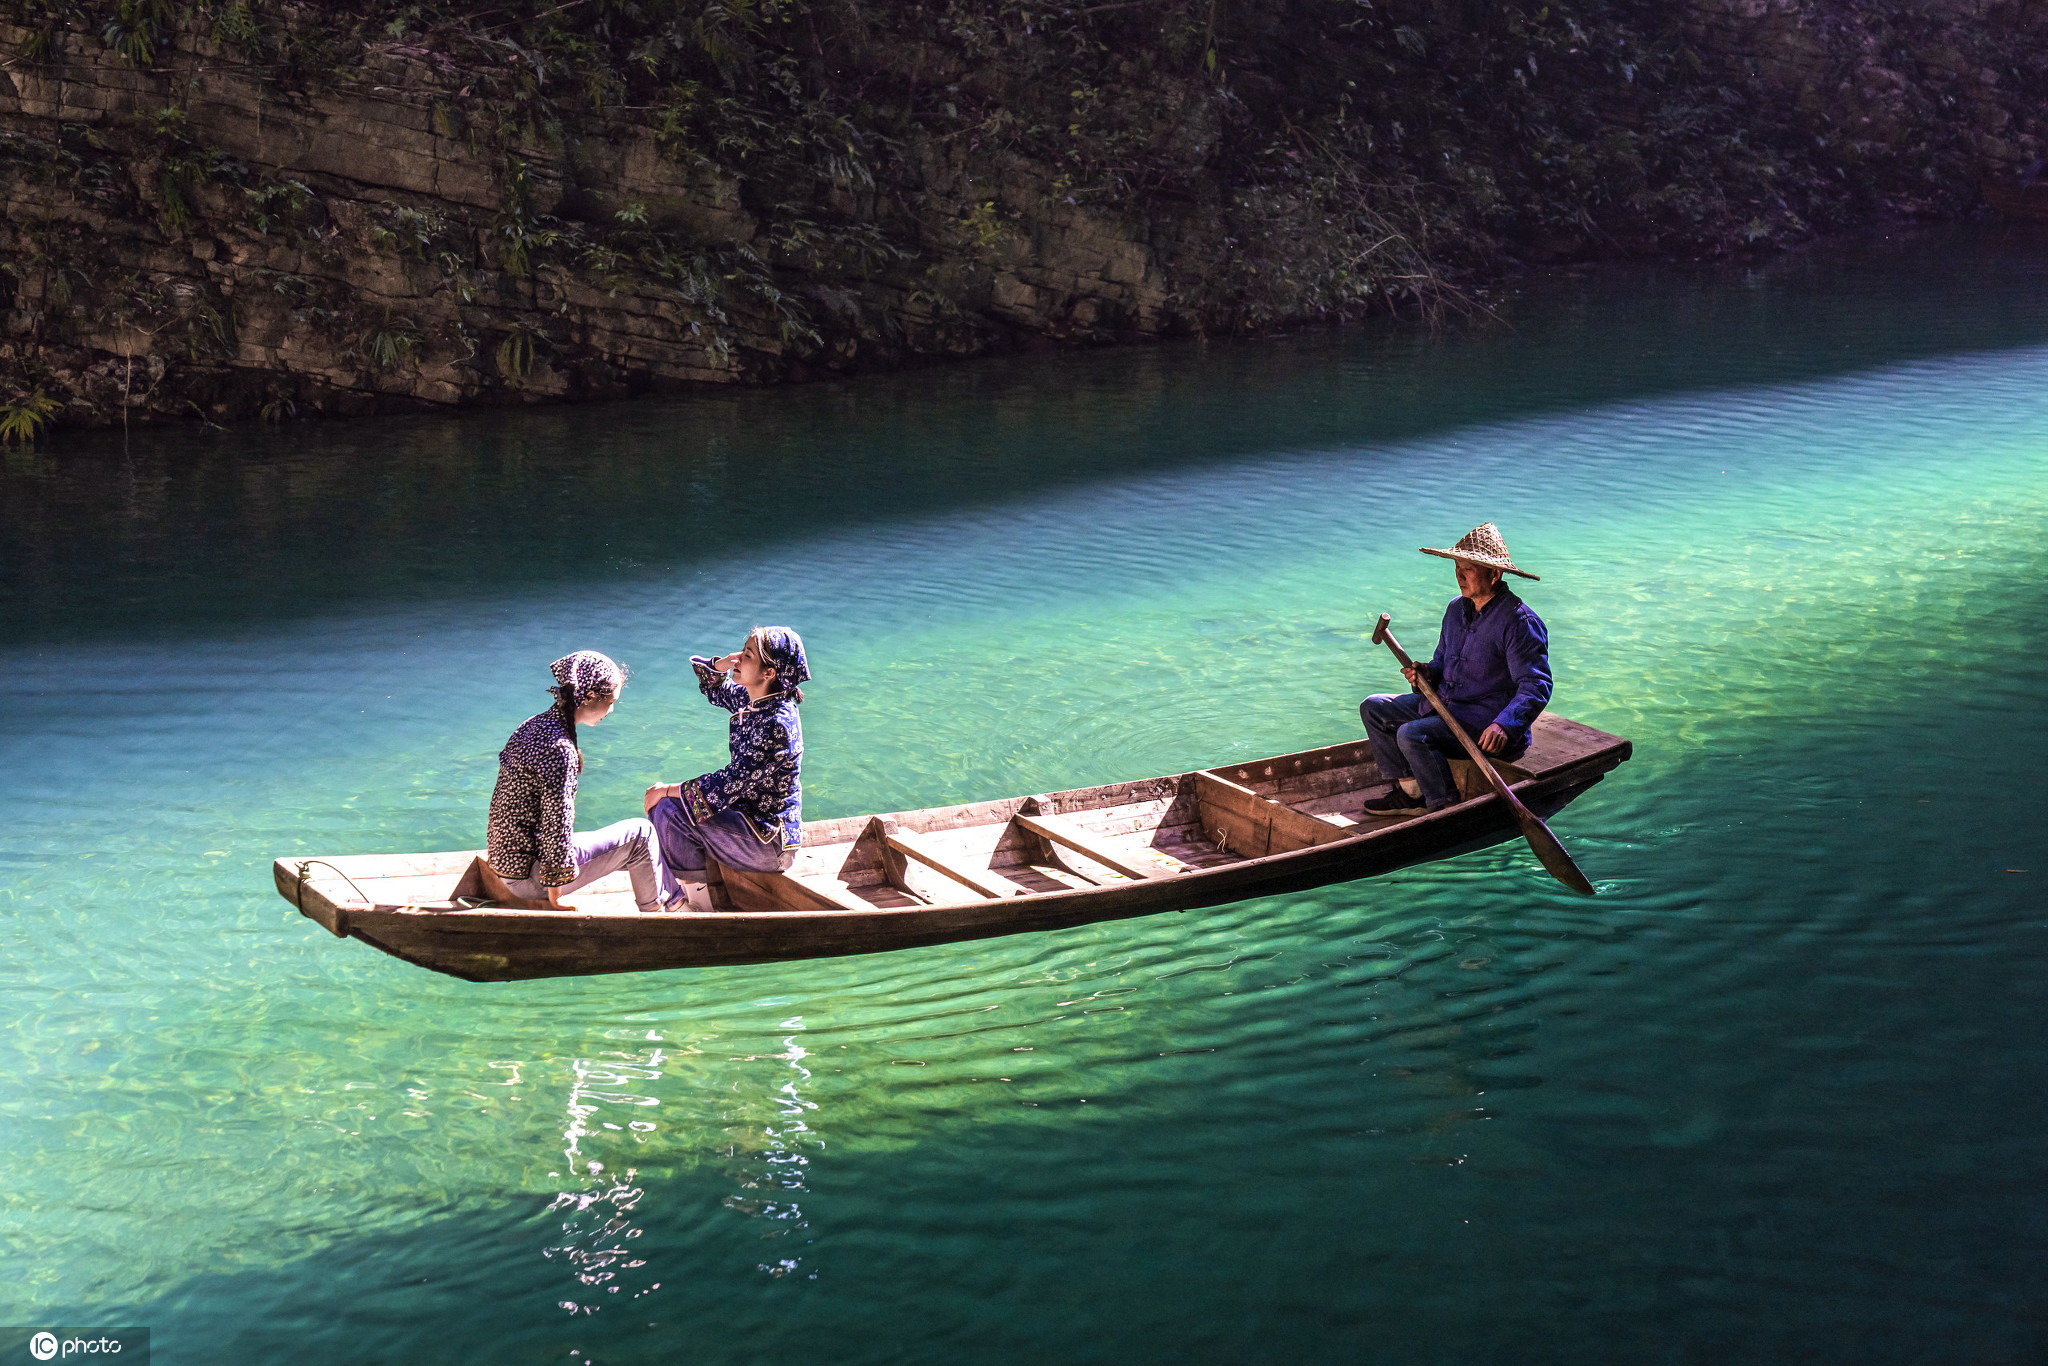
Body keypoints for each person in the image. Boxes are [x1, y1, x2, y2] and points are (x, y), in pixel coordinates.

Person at [1360, 523, 1552, 816]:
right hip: (1445, 707)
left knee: (1411, 734)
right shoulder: (1454, 609)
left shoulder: (1519, 622)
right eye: (1457, 567)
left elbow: (1536, 686)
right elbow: (1441, 662)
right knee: (1373, 708)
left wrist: (1504, 725)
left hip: (1484, 723)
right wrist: (1426, 674)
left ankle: (1444, 806)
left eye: (1469, 569)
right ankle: (1412, 794)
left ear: (1494, 573)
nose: (1459, 575)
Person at [486, 650, 683, 913]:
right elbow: (557, 825)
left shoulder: (532, 725)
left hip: (505, 865)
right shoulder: (560, 750)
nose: (611, 710)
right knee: (642, 834)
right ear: (589, 696)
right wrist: (555, 896)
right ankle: (662, 915)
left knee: (626, 844)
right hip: (531, 878)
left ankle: (667, 899)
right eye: (611, 702)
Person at [643, 626, 810, 911]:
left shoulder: (776, 724)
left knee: (669, 812)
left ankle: (696, 907)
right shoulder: (755, 699)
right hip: (748, 823)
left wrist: (668, 790)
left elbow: (730, 783)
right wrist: (722, 664)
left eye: (747, 655)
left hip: (767, 842)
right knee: (673, 804)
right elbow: (713, 688)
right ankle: (691, 895)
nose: (738, 659)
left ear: (769, 673)